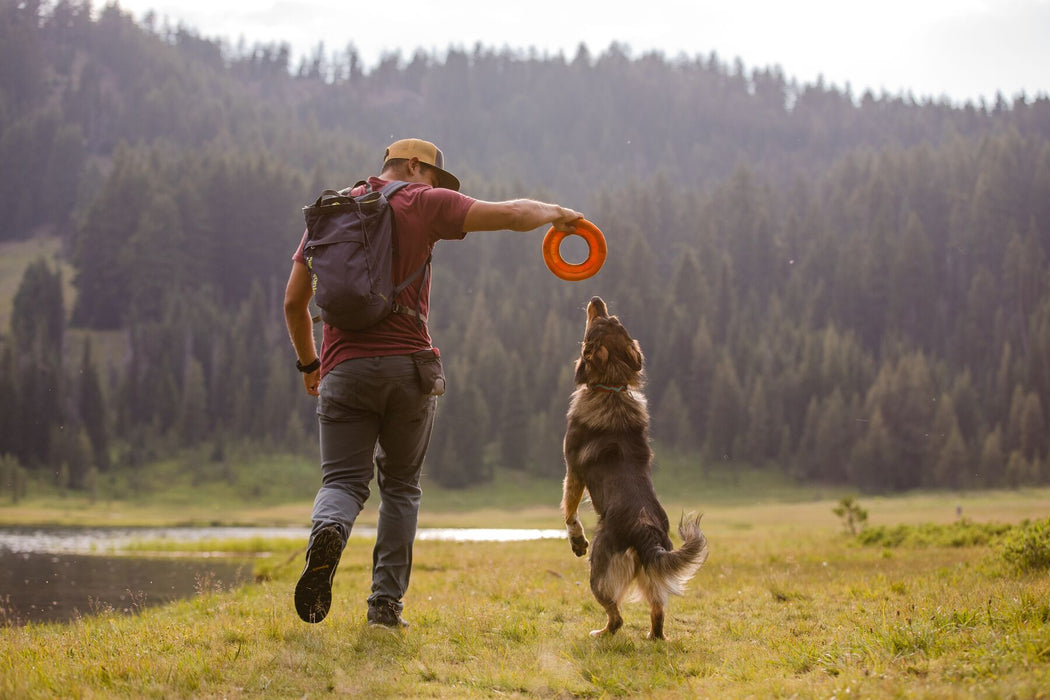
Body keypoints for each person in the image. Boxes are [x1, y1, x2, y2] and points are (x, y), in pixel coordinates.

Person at [283, 137, 582, 628]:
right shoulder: (422, 201)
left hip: (341, 369)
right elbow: (509, 213)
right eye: (436, 177)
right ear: (415, 166)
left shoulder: (332, 210)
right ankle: (384, 608)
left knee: (341, 481)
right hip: (408, 369)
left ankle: (329, 530)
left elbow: (295, 303)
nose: (439, 187)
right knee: (400, 487)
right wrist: (557, 212)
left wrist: (309, 365)